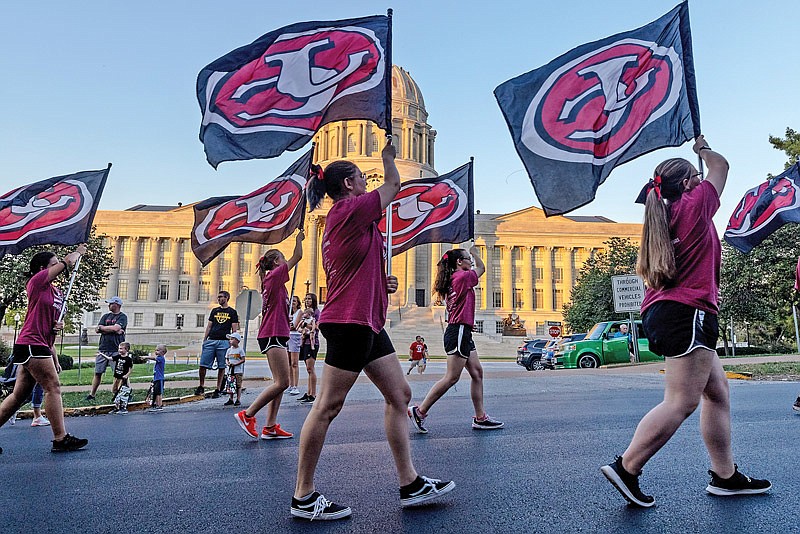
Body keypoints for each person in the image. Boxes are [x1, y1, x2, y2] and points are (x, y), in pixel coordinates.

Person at [601, 136, 771, 507]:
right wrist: (703, 149)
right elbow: (721, 166)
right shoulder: (693, 205)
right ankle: (627, 467)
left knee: (717, 392)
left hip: (670, 311)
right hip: (688, 312)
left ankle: (725, 476)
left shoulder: (668, 214)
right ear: (690, 183)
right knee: (681, 401)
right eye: (696, 176)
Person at [291, 140, 453, 521]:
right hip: (349, 322)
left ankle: (409, 483)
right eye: (363, 178)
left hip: (367, 320)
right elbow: (394, 186)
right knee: (328, 405)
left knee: (400, 395)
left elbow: (351, 270)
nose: (368, 182)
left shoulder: (353, 220)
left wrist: (383, 282)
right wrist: (386, 159)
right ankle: (303, 494)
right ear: (349, 183)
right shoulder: (347, 209)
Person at [0, 245, 89, 453]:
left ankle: (60, 437)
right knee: (53, 387)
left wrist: (57, 329)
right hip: (31, 343)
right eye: (53, 263)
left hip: (42, 345)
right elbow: (67, 261)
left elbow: (49, 324)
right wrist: (78, 252)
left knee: (19, 395)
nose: (58, 265)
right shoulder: (37, 282)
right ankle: (60, 438)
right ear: (42, 268)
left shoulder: (57, 292)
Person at [408, 247, 504, 434]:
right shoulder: (462, 277)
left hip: (462, 330)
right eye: (468, 259)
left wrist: (467, 324)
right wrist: (475, 252)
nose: (471, 262)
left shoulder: (455, 279)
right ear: (459, 262)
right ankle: (419, 411)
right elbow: (482, 268)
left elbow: (459, 306)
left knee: (477, 373)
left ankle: (480, 417)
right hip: (458, 331)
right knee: (452, 377)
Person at [234, 231, 304, 441]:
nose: (285, 263)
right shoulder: (274, 277)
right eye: (281, 259)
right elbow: (298, 257)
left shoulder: (274, 282)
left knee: (279, 382)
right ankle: (247, 415)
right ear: (276, 262)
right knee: (283, 382)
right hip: (272, 333)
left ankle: (271, 426)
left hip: (277, 332)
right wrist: (299, 240)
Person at [197, 291, 239, 398]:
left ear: (227, 298)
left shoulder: (232, 312)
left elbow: (234, 328)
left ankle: (218, 388)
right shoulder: (214, 311)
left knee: (222, 366)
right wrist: (205, 339)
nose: (219, 299)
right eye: (218, 297)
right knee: (203, 364)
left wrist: (232, 342)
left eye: (221, 297)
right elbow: (209, 326)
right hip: (211, 340)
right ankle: (201, 386)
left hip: (224, 342)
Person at [86, 296, 127, 401]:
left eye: (111, 303)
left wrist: (104, 329)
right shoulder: (105, 316)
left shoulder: (122, 317)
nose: (109, 305)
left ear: (117, 305)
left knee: (120, 373)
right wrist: (110, 329)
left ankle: (123, 393)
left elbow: (116, 328)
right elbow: (97, 329)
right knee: (98, 372)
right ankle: (92, 394)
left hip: (116, 350)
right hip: (103, 349)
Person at [296, 293, 320, 404]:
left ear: (314, 300)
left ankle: (313, 394)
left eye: (309, 299)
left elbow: (317, 326)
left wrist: (307, 327)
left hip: (312, 342)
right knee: (308, 369)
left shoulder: (316, 313)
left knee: (311, 368)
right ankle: (309, 392)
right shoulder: (305, 313)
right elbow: (299, 326)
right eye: (306, 299)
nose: (307, 301)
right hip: (304, 342)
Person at [109, 342, 133, 414]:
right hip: (116, 377)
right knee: (115, 391)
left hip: (123, 379)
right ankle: (117, 407)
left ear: (126, 349)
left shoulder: (128, 359)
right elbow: (110, 358)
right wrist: (101, 355)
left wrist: (126, 375)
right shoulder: (118, 357)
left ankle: (123, 407)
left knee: (122, 392)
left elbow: (131, 369)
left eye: (121, 348)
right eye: (119, 348)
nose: (119, 350)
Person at [141, 344, 167, 411]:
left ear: (163, 352)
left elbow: (153, 358)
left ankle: (159, 405)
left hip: (159, 378)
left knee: (159, 393)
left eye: (158, 350)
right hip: (156, 378)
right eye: (155, 350)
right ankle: (156, 404)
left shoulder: (161, 358)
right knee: (156, 392)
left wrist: (145, 357)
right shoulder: (159, 358)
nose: (156, 352)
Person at [223, 333, 246, 406]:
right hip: (230, 371)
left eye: (232, 339)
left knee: (238, 385)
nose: (230, 341)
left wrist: (235, 364)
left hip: (237, 371)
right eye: (230, 339)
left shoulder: (240, 350)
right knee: (231, 385)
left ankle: (238, 399)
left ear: (237, 341)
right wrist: (228, 363)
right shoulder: (229, 350)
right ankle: (231, 399)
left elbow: (243, 360)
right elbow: (226, 358)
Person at [287, 295, 303, 396]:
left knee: (294, 363)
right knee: (288, 363)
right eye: (291, 301)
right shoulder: (288, 312)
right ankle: (290, 385)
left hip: (294, 337)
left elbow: (294, 326)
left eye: (295, 301)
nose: (293, 303)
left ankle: (295, 386)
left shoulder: (300, 312)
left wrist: (288, 325)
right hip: (287, 337)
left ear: (298, 303)